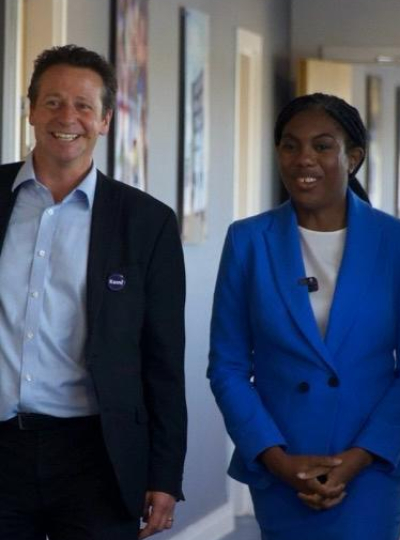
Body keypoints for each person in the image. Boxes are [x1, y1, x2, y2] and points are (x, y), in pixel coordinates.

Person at [208, 93, 400, 539]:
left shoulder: (397, 242)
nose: (304, 159)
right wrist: (276, 459)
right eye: (290, 146)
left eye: (322, 146)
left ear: (352, 158)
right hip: (282, 463)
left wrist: (357, 459)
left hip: (372, 462)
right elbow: (228, 367)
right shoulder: (248, 241)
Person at [0, 45, 186, 539]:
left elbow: (163, 359)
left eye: (84, 106)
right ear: (32, 111)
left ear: (105, 120)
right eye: (53, 102)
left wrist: (165, 474)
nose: (68, 117)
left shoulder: (148, 223)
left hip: (97, 456)